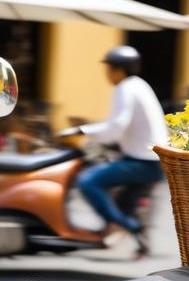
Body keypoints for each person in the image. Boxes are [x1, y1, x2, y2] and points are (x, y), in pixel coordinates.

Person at [60, 45, 167, 256]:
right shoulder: (139, 85)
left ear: (119, 70)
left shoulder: (125, 88)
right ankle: (134, 235)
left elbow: (117, 126)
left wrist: (82, 131)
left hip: (143, 162)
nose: (107, 74)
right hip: (150, 159)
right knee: (122, 199)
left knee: (88, 181)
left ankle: (129, 225)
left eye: (109, 69)